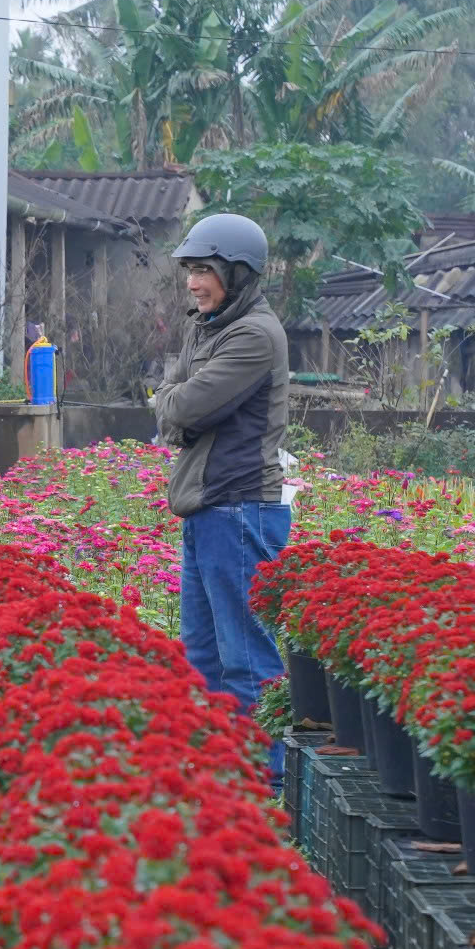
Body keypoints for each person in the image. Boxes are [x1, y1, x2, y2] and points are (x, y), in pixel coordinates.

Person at [154, 212, 293, 730]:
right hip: (208, 508)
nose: (193, 282)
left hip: (239, 510)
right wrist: (175, 404)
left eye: (205, 270)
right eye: (190, 270)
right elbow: (173, 401)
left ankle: (265, 779)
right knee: (203, 658)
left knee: (246, 660)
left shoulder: (254, 335)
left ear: (237, 274)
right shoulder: (205, 326)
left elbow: (182, 408)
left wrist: (175, 406)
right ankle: (218, 773)